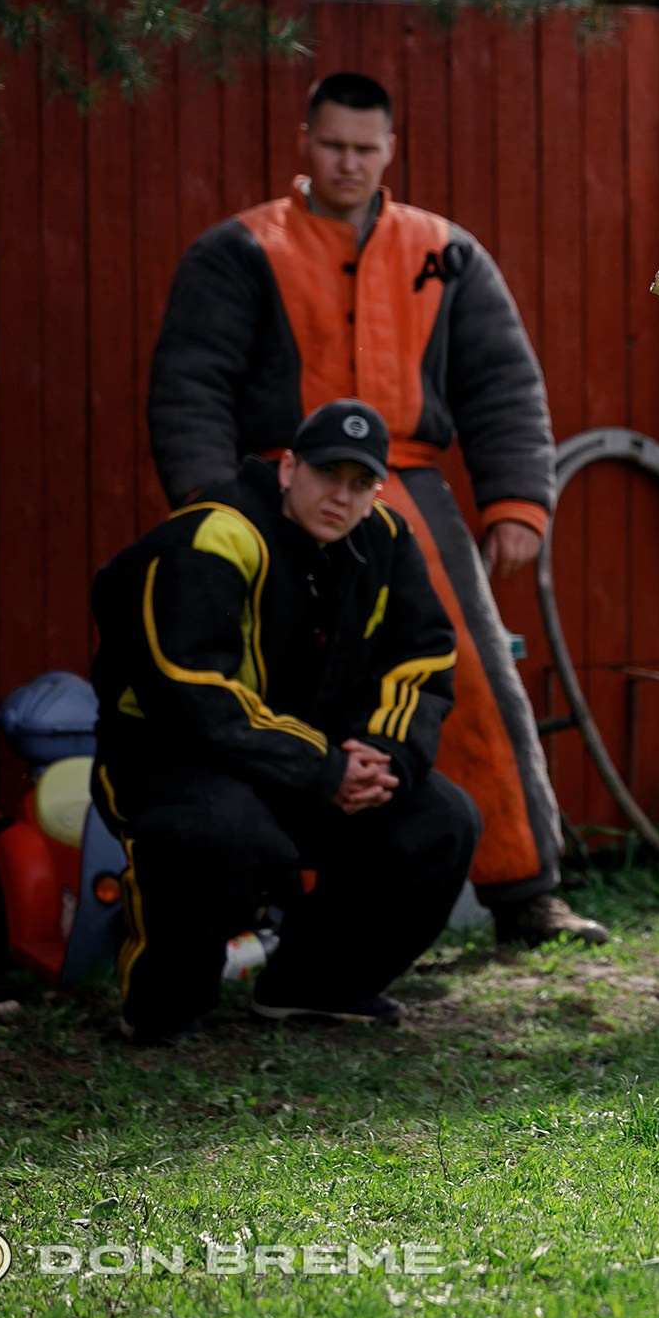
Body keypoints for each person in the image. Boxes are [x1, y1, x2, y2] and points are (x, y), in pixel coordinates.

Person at [147, 72, 604, 945]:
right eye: (332, 145)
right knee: (268, 688)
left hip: (415, 499)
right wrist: (216, 513)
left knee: (473, 680)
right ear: (303, 141)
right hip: (274, 502)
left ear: (390, 149)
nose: (347, 162)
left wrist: (516, 502)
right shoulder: (239, 249)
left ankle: (526, 890)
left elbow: (502, 381)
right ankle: (269, 909)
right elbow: (190, 384)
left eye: (364, 147)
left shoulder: (444, 251)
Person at [92, 401, 482, 1042]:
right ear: (288, 467)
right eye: (328, 473)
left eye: (361, 483)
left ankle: (314, 987)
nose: (342, 496)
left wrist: (382, 756)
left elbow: (423, 657)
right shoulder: (216, 533)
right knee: (220, 832)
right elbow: (193, 692)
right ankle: (161, 1005)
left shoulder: (386, 537)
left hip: (309, 764)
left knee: (444, 822)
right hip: (170, 757)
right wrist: (325, 767)